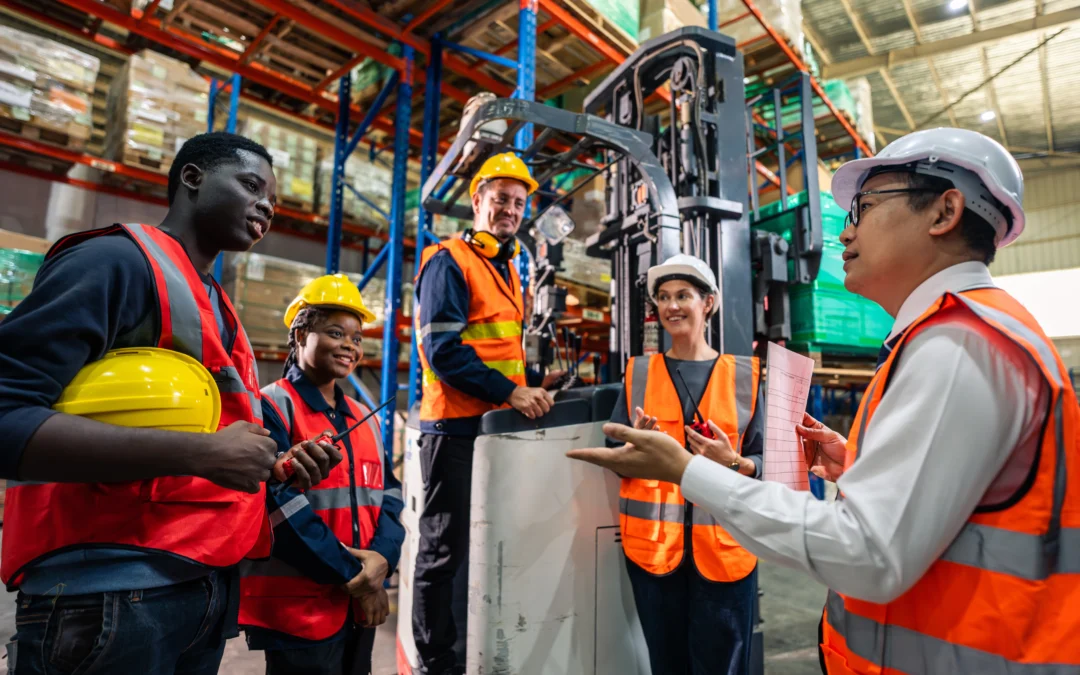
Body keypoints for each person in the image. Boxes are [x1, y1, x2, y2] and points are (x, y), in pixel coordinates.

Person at [568, 128, 1080, 674]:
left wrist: (689, 472)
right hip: (663, 560)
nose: (847, 231)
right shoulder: (958, 337)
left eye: (863, 206)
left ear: (944, 211)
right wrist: (854, 468)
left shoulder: (958, 346)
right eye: (663, 297)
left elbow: (869, 555)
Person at [0, 132, 337, 675]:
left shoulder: (215, 305)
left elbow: (197, 434)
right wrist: (200, 455)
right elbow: (6, 419)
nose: (267, 206)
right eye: (252, 186)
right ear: (192, 178)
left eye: (273, 199)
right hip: (109, 592)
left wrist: (269, 467)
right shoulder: (113, 261)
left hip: (198, 588)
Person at [411, 152, 565, 674]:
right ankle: (436, 663)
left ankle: (464, 650)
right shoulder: (448, 261)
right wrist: (511, 392)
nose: (510, 210)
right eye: (501, 199)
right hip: (451, 428)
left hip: (488, 428)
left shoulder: (507, 270)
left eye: (519, 203)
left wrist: (531, 386)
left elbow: (496, 347)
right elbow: (444, 351)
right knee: (441, 553)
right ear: (477, 200)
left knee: (475, 547)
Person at [240, 274, 405, 675]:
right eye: (336, 332)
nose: (350, 345)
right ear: (300, 335)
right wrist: (358, 578)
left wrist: (383, 559)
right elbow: (276, 505)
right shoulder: (272, 406)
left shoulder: (362, 422)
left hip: (357, 606)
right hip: (299, 611)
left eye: (356, 337)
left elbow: (391, 496)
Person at [610, 253, 764, 675]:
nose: (671, 305)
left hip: (726, 554)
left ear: (707, 303)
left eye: (683, 295)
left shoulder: (745, 377)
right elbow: (617, 458)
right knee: (667, 666)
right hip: (655, 554)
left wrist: (732, 461)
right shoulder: (638, 373)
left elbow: (767, 463)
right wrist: (633, 448)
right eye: (663, 297)